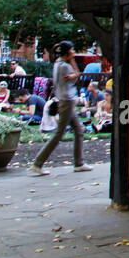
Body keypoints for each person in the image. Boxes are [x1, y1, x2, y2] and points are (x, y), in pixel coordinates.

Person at [29, 41, 92, 175]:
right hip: (67, 102)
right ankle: (38, 163)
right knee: (59, 134)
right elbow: (76, 76)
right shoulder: (65, 67)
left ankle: (79, 163)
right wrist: (73, 63)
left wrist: (74, 71)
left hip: (65, 101)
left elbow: (75, 75)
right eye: (72, 50)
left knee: (79, 130)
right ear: (68, 52)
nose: (74, 52)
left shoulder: (58, 63)